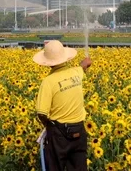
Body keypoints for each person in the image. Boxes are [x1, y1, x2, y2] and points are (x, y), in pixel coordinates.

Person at [34, 40, 92, 171]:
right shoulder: (76, 73)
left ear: (47, 62)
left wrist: (48, 126)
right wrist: (86, 62)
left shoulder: (48, 82)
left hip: (60, 134)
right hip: (79, 131)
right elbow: (82, 66)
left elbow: (41, 113)